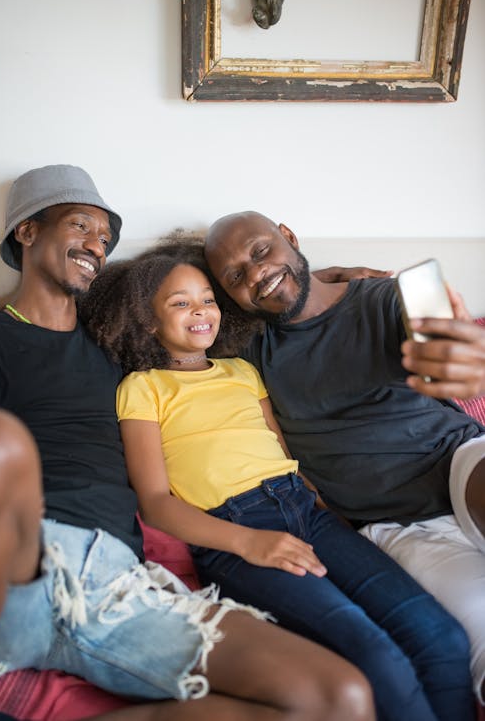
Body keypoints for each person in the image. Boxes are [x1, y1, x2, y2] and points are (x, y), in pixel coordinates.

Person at [0, 168, 377, 721]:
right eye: (81, 227)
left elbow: (210, 310)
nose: (96, 246)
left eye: (105, 238)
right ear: (26, 232)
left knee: (338, 697)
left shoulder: (117, 341)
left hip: (116, 585)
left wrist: (331, 280)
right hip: (19, 567)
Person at [78, 234, 475, 721]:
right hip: (235, 531)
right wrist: (248, 542)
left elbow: (284, 454)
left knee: (440, 637)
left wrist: (329, 518)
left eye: (207, 299)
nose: (200, 311)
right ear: (148, 322)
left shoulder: (243, 371)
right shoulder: (143, 388)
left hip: (307, 512)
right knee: (375, 654)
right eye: (180, 303)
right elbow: (158, 502)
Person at [203, 209, 485, 705]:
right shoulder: (246, 350)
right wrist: (320, 272)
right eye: (235, 276)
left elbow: (440, 338)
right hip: (397, 528)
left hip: (460, 464)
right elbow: (162, 320)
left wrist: (467, 360)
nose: (255, 273)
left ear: (288, 236)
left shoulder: (385, 297)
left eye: (261, 250)